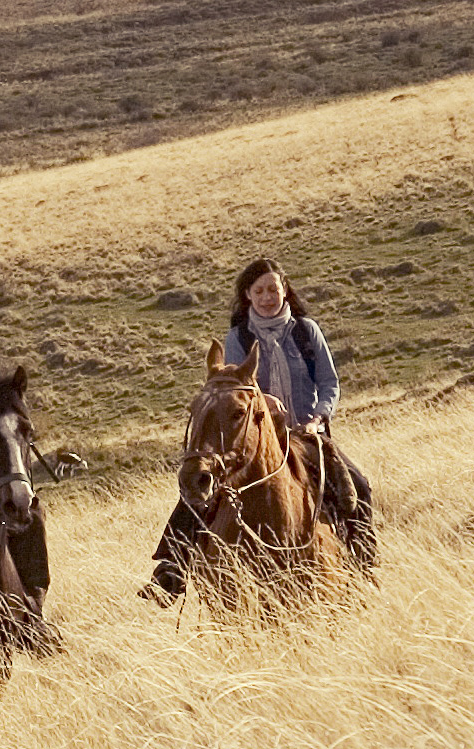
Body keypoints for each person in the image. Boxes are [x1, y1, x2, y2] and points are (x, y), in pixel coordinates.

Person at [147, 257, 377, 601]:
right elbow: (235, 382)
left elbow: (329, 382)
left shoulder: (305, 331)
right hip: (258, 436)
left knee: (357, 486)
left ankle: (364, 568)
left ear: (285, 290)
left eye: (273, 289)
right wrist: (263, 399)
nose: (267, 297)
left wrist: (318, 418)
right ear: (248, 296)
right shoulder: (239, 336)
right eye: (259, 291)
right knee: (198, 493)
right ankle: (172, 568)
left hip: (307, 434)